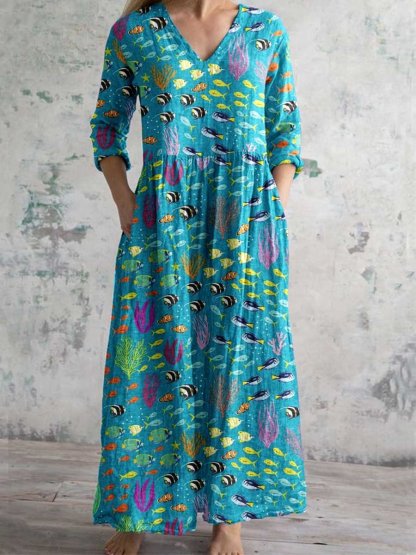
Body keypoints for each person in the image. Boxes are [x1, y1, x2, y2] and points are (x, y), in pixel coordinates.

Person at [89, 1, 307, 554]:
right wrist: (126, 204)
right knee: (150, 354)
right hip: (162, 219)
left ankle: (229, 516)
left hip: (247, 219)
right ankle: (136, 510)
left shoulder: (263, 30)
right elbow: (107, 127)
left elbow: (284, 129)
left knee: (240, 357)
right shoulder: (136, 31)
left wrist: (272, 210)